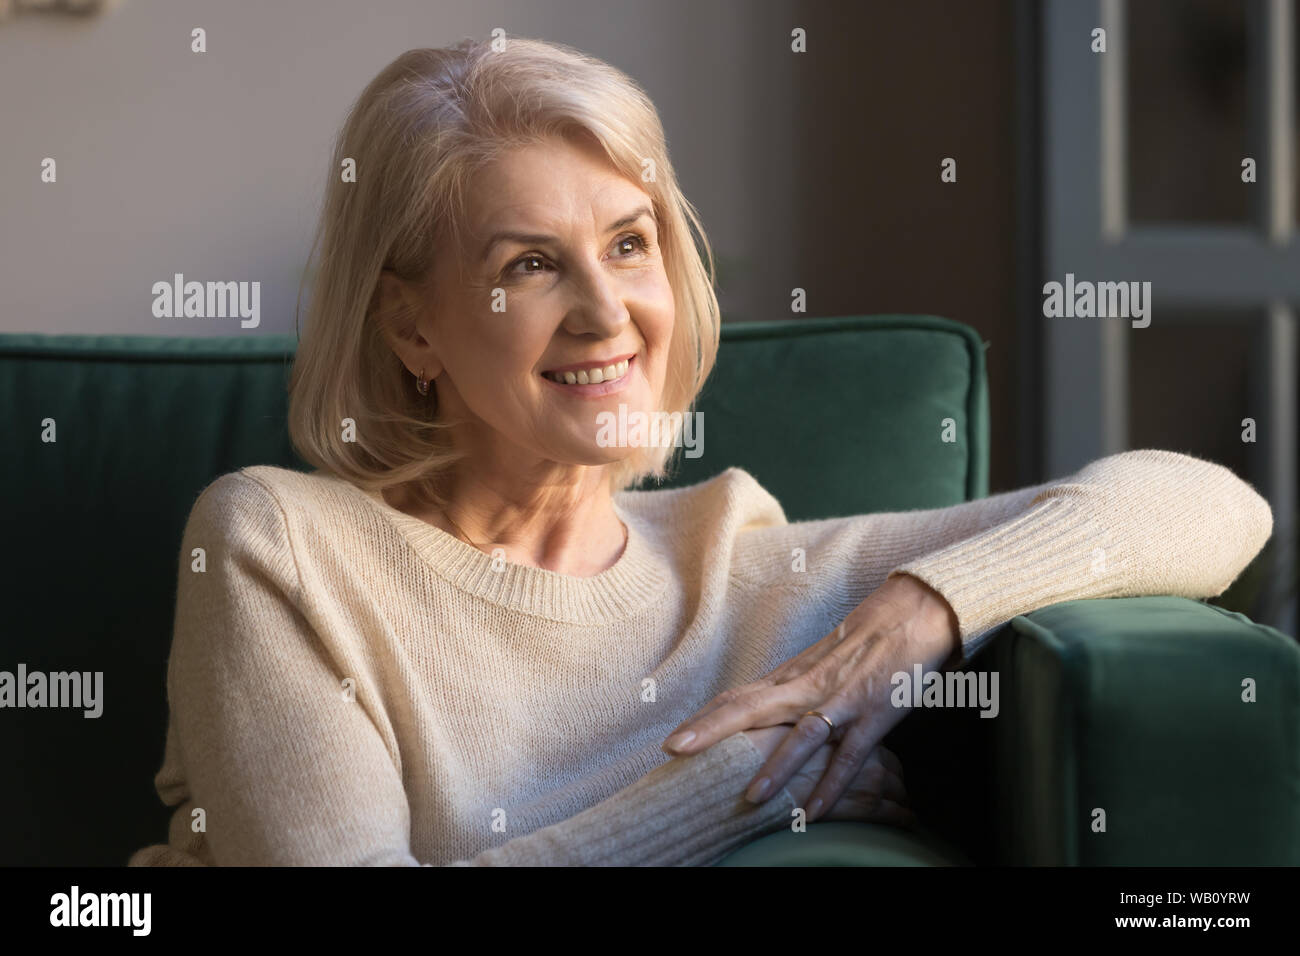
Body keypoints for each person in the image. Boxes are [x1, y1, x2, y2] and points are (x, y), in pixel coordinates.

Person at [129, 37, 1273, 866]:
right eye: (530, 263)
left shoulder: (746, 562)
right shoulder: (278, 542)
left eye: (630, 245)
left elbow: (1212, 503)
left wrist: (918, 612)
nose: (605, 311)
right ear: (411, 324)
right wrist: (727, 791)